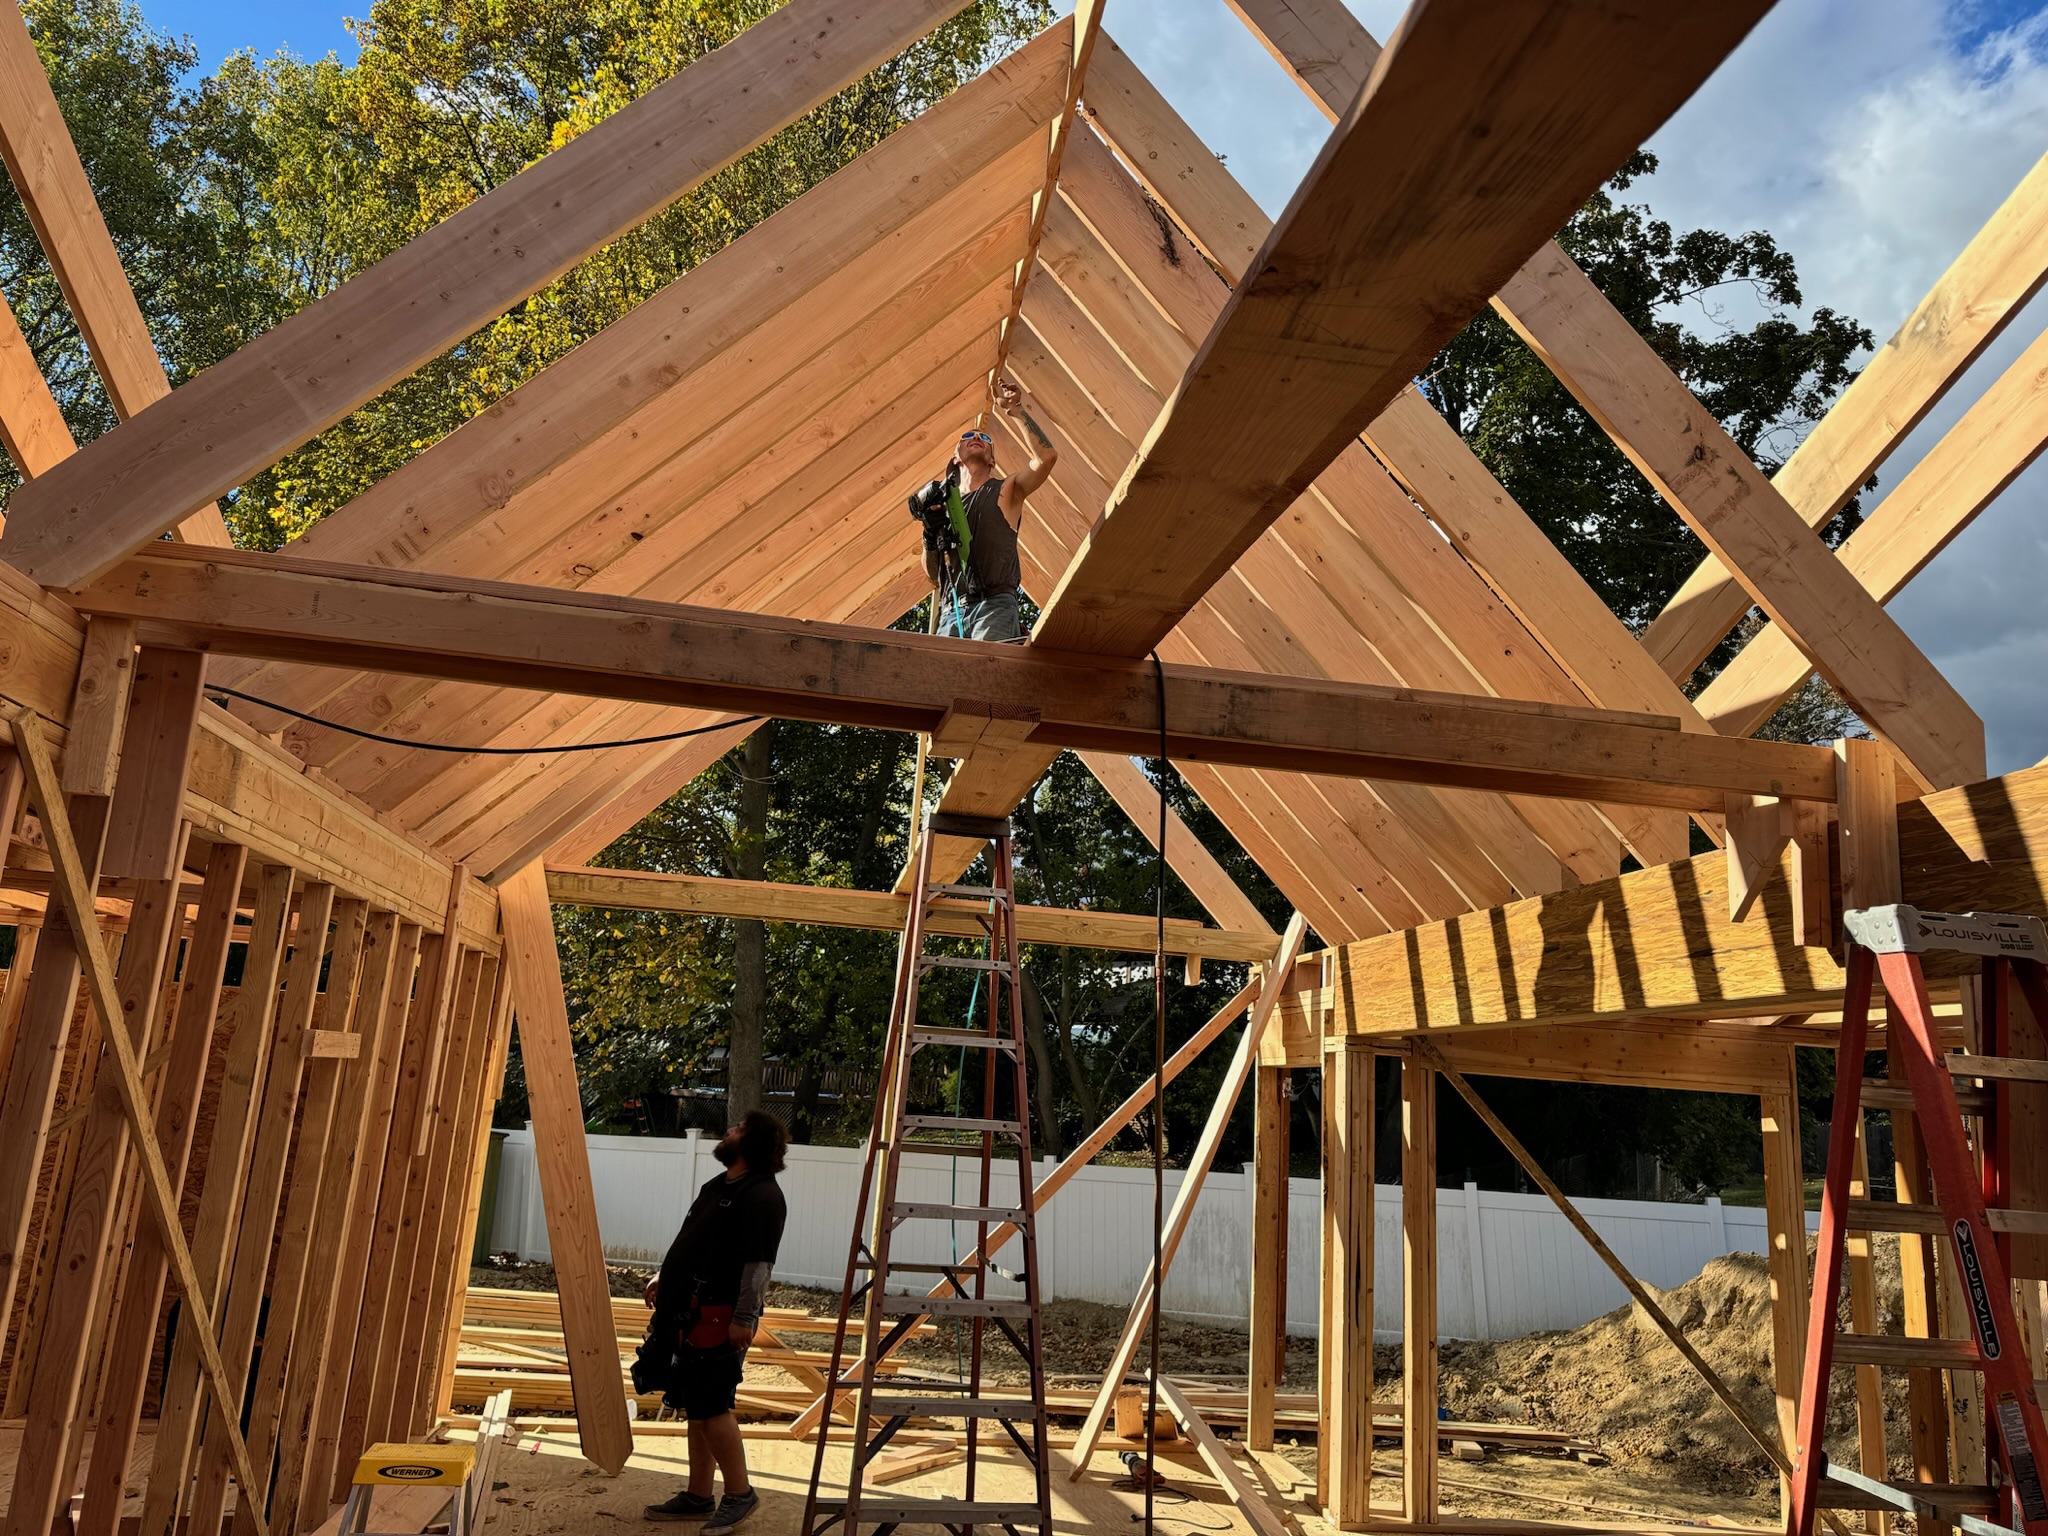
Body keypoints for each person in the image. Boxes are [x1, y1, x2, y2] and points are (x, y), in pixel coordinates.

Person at [642, 1111, 789, 1531]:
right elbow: (692, 1241)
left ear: (753, 1143)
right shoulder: (717, 1186)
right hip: (690, 1311)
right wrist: (663, 1275)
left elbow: (758, 1267)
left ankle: (740, 1493)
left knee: (713, 1407)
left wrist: (744, 1318)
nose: (729, 1131)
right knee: (695, 1406)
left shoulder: (762, 1196)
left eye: (739, 1128)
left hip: (721, 1317)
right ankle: (698, 1495)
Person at [923, 376, 1058, 642]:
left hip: (993, 606)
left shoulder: (1006, 490)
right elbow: (933, 576)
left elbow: (1046, 458)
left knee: (987, 675)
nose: (976, 436)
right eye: (968, 437)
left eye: (983, 437)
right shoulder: (943, 506)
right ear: (955, 458)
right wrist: (929, 536)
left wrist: (1015, 409)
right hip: (950, 613)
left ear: (993, 459)